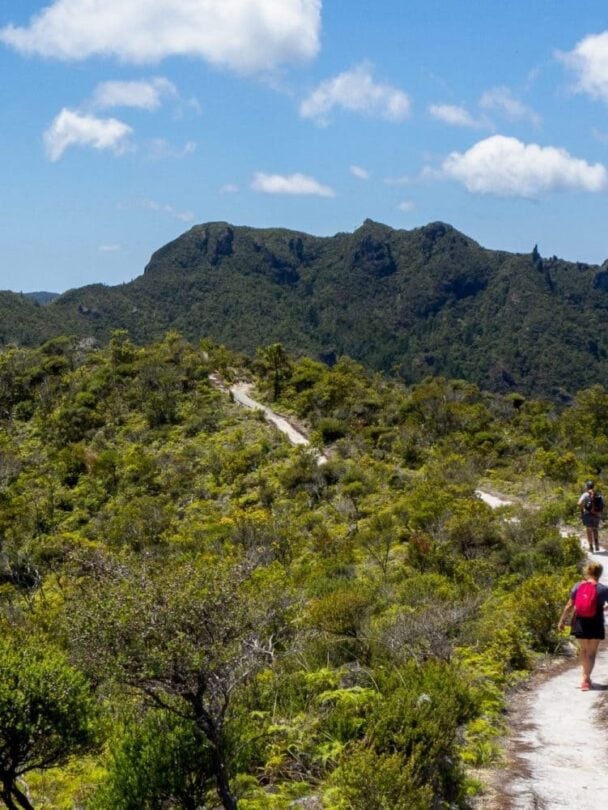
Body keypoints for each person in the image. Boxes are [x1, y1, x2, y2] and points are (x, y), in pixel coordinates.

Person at [558, 561, 608, 690]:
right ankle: (586, 679)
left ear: (587, 572)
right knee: (591, 653)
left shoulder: (577, 586)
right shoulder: (603, 589)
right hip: (596, 622)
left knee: (584, 651)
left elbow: (569, 605)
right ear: (599, 574)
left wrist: (562, 620)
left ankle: (585, 679)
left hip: (580, 622)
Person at [577, 480, 601, 553]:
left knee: (589, 530)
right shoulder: (598, 494)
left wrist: (582, 510)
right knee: (595, 529)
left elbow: (579, 503)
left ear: (587, 487)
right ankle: (596, 544)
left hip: (587, 514)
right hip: (597, 514)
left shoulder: (585, 494)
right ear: (593, 486)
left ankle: (591, 547)